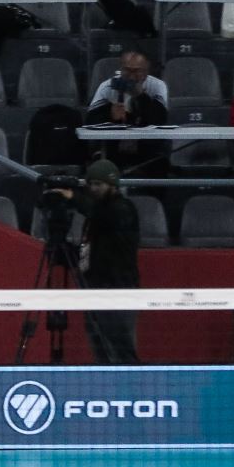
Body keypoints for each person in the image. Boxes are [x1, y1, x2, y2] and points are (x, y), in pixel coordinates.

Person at [53, 159, 140, 364]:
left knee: (121, 348)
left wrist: (74, 197)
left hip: (119, 289)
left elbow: (103, 216)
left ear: (112, 185)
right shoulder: (95, 214)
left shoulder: (123, 208)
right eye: (90, 184)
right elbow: (92, 247)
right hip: (94, 289)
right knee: (99, 346)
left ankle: (132, 389)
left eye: (98, 185)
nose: (93, 189)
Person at [85, 49, 168, 127]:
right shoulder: (108, 87)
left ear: (146, 72)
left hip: (148, 139)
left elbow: (160, 121)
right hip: (116, 139)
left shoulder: (157, 86)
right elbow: (89, 122)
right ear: (121, 69)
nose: (131, 77)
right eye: (127, 70)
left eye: (137, 71)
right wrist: (109, 114)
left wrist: (141, 96)